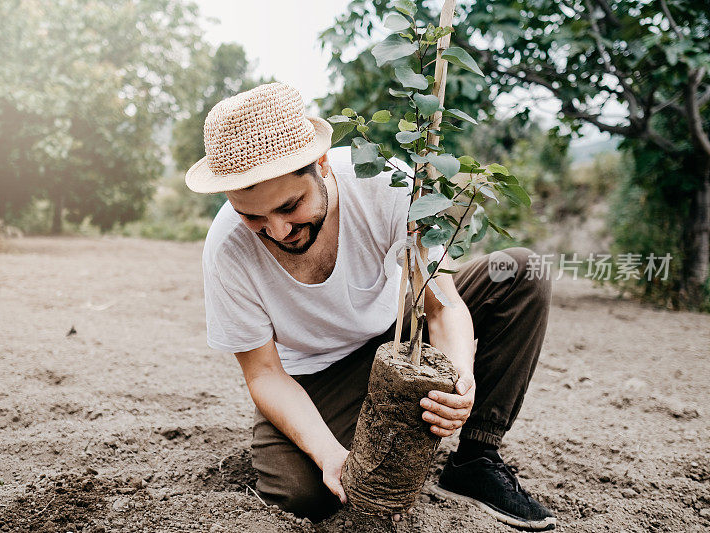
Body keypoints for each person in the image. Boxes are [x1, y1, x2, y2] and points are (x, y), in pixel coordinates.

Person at [186, 82, 556, 531]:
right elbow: (264, 373)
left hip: (400, 337)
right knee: (300, 493)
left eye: (290, 206)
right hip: (315, 378)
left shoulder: (386, 183)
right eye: (254, 217)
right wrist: (329, 455)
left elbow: (442, 307)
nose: (279, 231)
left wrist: (458, 379)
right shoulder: (226, 250)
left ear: (321, 165)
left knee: (517, 270)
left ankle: (476, 459)